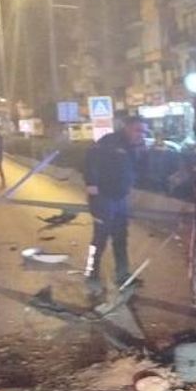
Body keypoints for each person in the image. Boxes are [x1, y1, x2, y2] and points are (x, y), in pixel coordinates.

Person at [83, 118, 147, 293]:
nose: (141, 135)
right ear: (127, 128)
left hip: (121, 198)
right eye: (138, 130)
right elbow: (90, 162)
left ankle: (123, 275)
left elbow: (137, 170)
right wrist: (92, 186)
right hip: (103, 198)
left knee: (120, 238)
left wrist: (142, 153)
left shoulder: (134, 147)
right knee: (99, 239)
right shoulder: (109, 142)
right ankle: (91, 273)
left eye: (143, 132)